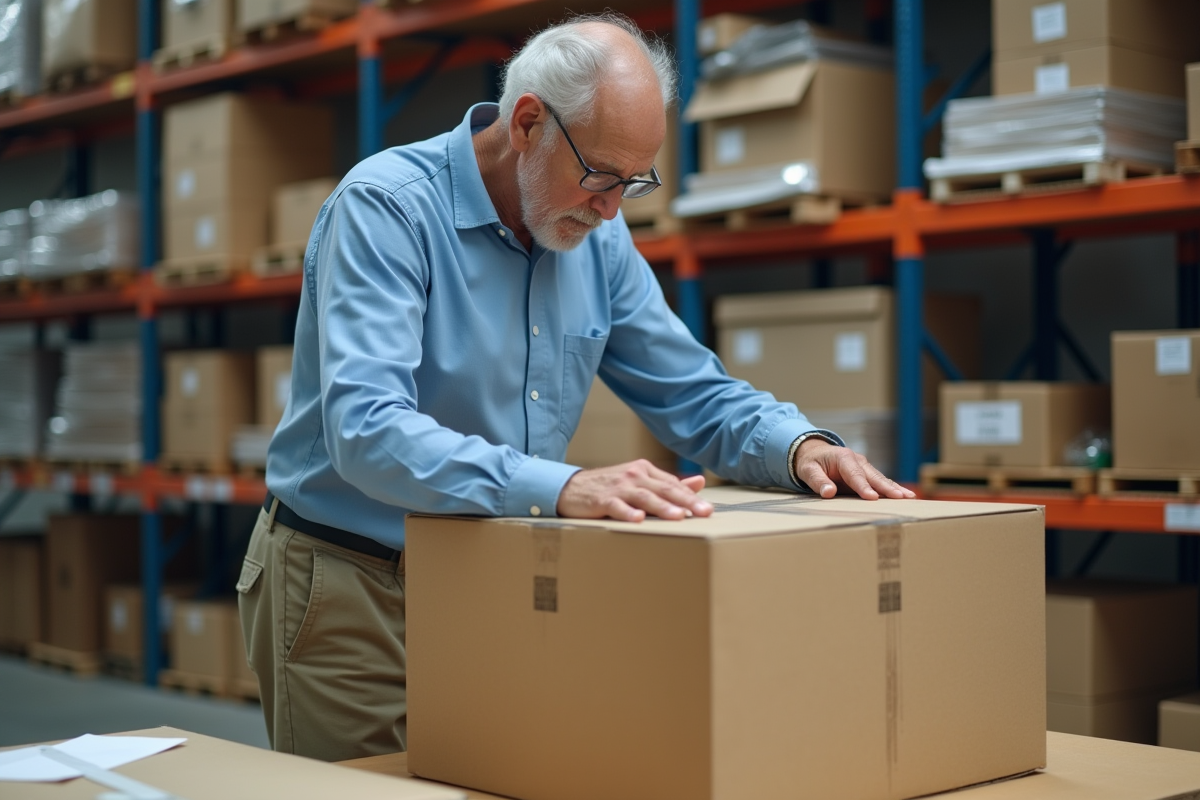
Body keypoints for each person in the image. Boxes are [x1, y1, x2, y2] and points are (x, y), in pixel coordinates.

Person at [236, 12, 915, 763]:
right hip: (351, 583)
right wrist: (561, 487)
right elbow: (367, 432)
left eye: (635, 181)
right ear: (528, 122)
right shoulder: (388, 210)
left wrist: (799, 445)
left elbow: (690, 389)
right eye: (599, 175)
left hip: (491, 572)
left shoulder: (598, 239)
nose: (612, 208)